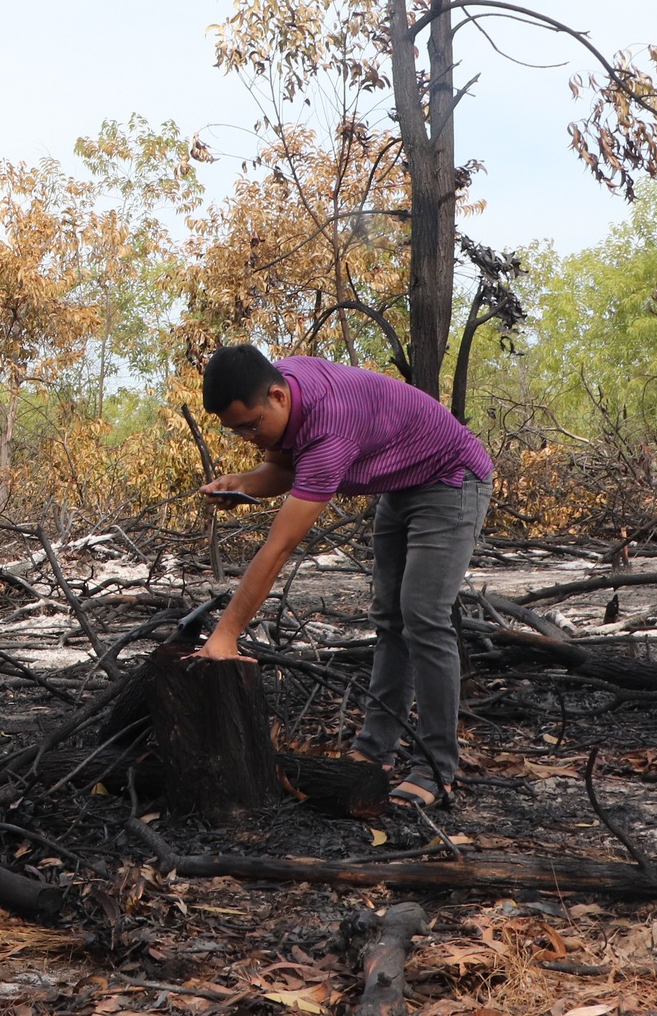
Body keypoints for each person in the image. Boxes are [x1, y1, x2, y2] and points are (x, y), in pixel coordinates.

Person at [194, 345, 493, 809]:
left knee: (423, 618)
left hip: (451, 479)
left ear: (276, 396)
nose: (250, 437)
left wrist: (226, 635)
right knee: (391, 619)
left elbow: (280, 547)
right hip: (403, 482)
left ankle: (436, 769)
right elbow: (280, 468)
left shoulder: (329, 424)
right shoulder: (283, 389)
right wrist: (242, 482)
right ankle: (375, 754)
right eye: (238, 432)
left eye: (252, 425)